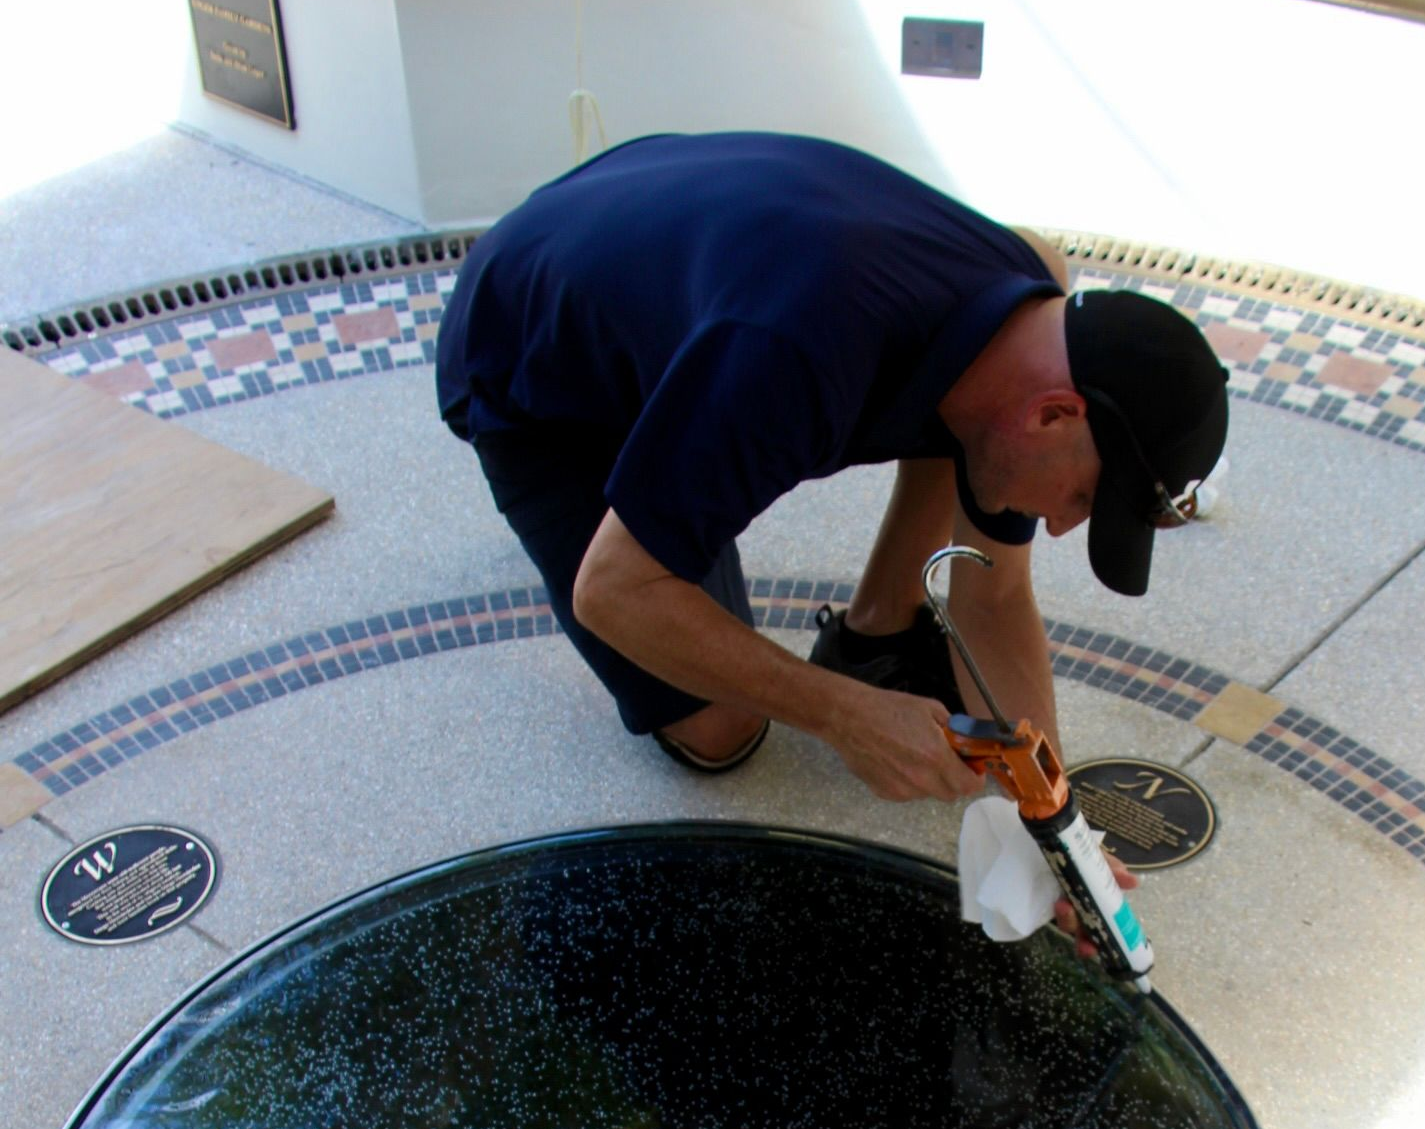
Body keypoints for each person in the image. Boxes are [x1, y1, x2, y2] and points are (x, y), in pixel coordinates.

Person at [436, 130, 1228, 805]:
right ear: (1056, 413)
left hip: (679, 252)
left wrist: (1051, 816)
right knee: (721, 726)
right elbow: (612, 593)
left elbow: (991, 598)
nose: (1059, 523)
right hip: (534, 365)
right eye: (1083, 496)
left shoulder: (1028, 314)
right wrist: (841, 713)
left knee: (966, 430)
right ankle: (651, 486)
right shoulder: (798, 357)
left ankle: (875, 625)